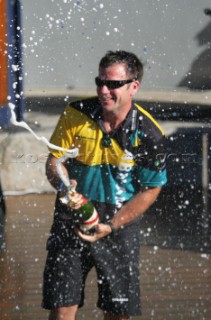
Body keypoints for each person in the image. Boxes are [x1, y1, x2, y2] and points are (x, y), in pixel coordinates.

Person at [42, 50, 167, 320]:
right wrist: (63, 183)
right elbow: (54, 161)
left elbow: (151, 189)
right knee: (61, 308)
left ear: (134, 87)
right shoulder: (76, 113)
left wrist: (111, 225)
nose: (104, 90)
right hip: (71, 218)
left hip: (118, 227)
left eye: (113, 84)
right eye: (100, 82)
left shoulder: (148, 133)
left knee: (117, 312)